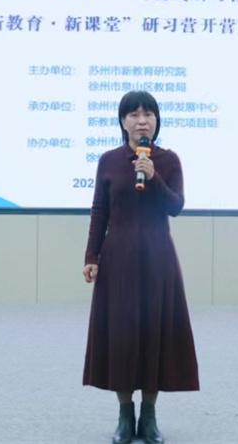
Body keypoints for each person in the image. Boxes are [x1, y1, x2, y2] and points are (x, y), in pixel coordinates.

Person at [82, 91, 200, 444]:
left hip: (158, 259)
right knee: (121, 337)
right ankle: (124, 416)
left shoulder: (168, 160)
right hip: (117, 258)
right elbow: (99, 211)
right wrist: (91, 256)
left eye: (148, 114)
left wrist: (153, 177)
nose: (142, 120)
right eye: (133, 114)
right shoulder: (108, 160)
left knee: (154, 334)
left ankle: (149, 416)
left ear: (157, 120)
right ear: (122, 122)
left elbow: (175, 206)